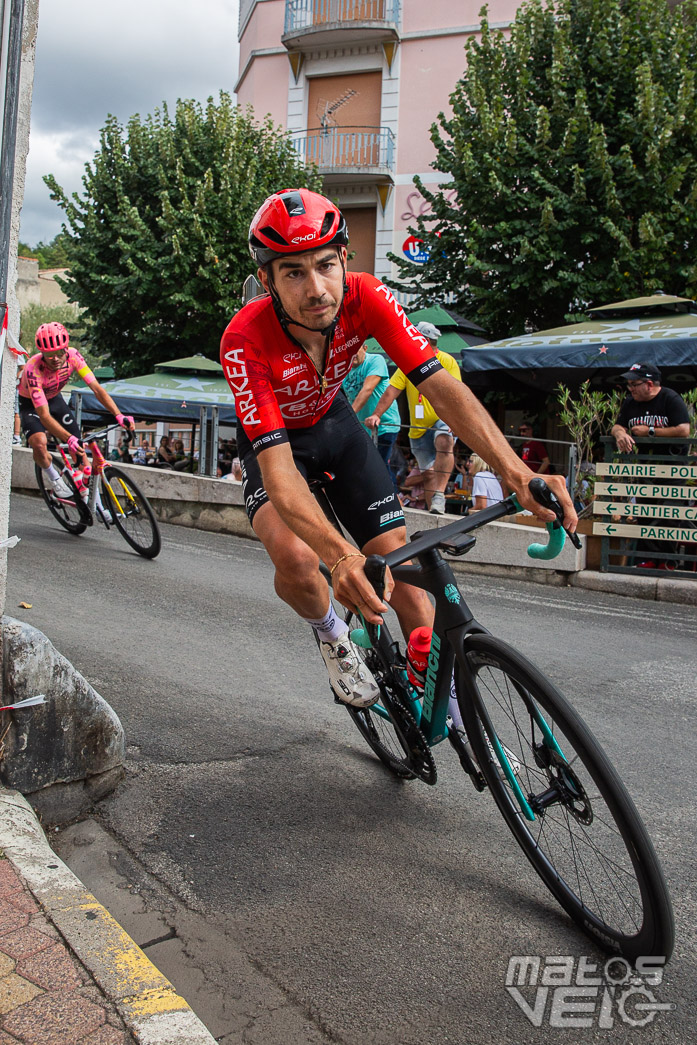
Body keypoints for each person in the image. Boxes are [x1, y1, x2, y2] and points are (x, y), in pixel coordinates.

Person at [220, 188, 575, 710]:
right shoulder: (244, 338)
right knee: (298, 558)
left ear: (344, 258)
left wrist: (516, 473)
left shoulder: (367, 295)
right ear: (268, 281)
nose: (316, 289)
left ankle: (441, 698)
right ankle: (331, 637)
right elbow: (277, 471)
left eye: (324, 265)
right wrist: (339, 556)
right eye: (293, 272)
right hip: (278, 446)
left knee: (403, 573)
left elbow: (439, 386)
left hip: (337, 427)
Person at [18, 322, 134, 497]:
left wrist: (118, 415)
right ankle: (55, 479)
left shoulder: (73, 356)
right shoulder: (33, 369)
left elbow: (97, 389)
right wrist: (68, 438)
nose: (55, 359)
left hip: (54, 398)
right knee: (39, 442)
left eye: (59, 353)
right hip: (31, 404)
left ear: (65, 349)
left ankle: (95, 502)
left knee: (81, 454)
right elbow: (44, 416)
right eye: (49, 355)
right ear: (42, 354)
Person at [364, 321, 461, 514]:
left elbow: (457, 393)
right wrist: (376, 414)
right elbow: (391, 391)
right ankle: (433, 510)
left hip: (442, 418)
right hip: (418, 428)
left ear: (423, 341)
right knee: (427, 474)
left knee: (444, 440)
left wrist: (454, 419)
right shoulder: (408, 363)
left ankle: (440, 495)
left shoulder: (447, 360)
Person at [610, 362, 691, 569]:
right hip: (645, 467)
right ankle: (648, 559)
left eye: (634, 384)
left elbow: (683, 430)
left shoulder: (670, 398)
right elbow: (618, 424)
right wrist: (620, 433)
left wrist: (651, 432)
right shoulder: (630, 403)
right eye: (628, 384)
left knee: (668, 516)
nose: (630, 389)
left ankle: (668, 561)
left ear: (649, 384)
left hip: (671, 467)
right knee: (646, 512)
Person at [341, 344, 401, 485]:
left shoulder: (375, 360)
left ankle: (393, 501)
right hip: (362, 428)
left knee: (380, 470)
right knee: (365, 469)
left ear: (365, 348)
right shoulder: (344, 369)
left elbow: (367, 389)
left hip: (383, 425)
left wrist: (347, 417)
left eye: (355, 350)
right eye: (347, 352)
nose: (352, 355)